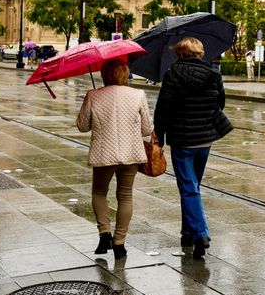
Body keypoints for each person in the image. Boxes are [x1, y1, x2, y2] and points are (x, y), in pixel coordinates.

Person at [153, 37, 234, 259]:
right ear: (200, 53)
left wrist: (159, 137)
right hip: (205, 139)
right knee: (192, 186)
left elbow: (163, 109)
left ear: (180, 54)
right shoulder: (213, 74)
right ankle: (187, 233)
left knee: (189, 188)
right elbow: (220, 103)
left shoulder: (172, 74)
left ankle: (200, 233)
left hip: (182, 140)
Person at [76, 59, 153, 258]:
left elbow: (82, 126)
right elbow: (147, 129)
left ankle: (104, 234)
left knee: (99, 192)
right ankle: (120, 243)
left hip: (104, 154)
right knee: (125, 196)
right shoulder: (138, 94)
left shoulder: (93, 95)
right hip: (131, 153)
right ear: (125, 74)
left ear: (104, 75)